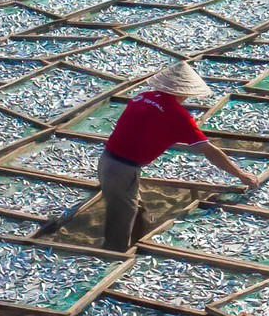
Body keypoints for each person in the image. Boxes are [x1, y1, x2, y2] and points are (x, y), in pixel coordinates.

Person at [98, 62, 251, 251]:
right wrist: (242, 175)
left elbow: (141, 127)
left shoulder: (142, 97)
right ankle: (114, 256)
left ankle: (137, 241)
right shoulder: (178, 116)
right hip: (122, 168)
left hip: (108, 160)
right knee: (121, 216)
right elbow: (209, 150)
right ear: (185, 91)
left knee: (133, 207)